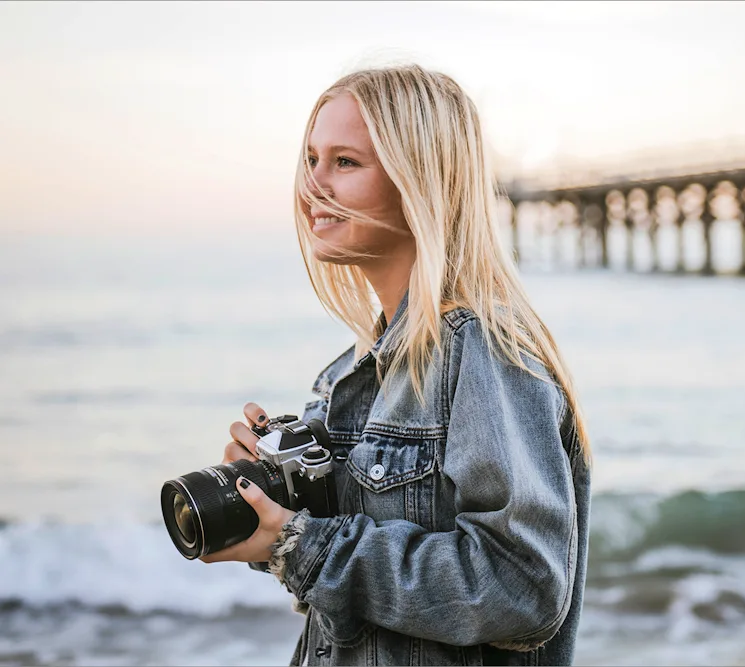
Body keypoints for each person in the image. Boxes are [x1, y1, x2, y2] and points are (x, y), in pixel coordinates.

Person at [199, 63, 592, 666]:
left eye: (345, 162)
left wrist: (305, 547)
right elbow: (357, 608)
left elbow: (522, 587)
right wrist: (271, 525)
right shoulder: (346, 376)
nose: (312, 186)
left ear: (419, 179)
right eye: (310, 160)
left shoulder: (482, 351)